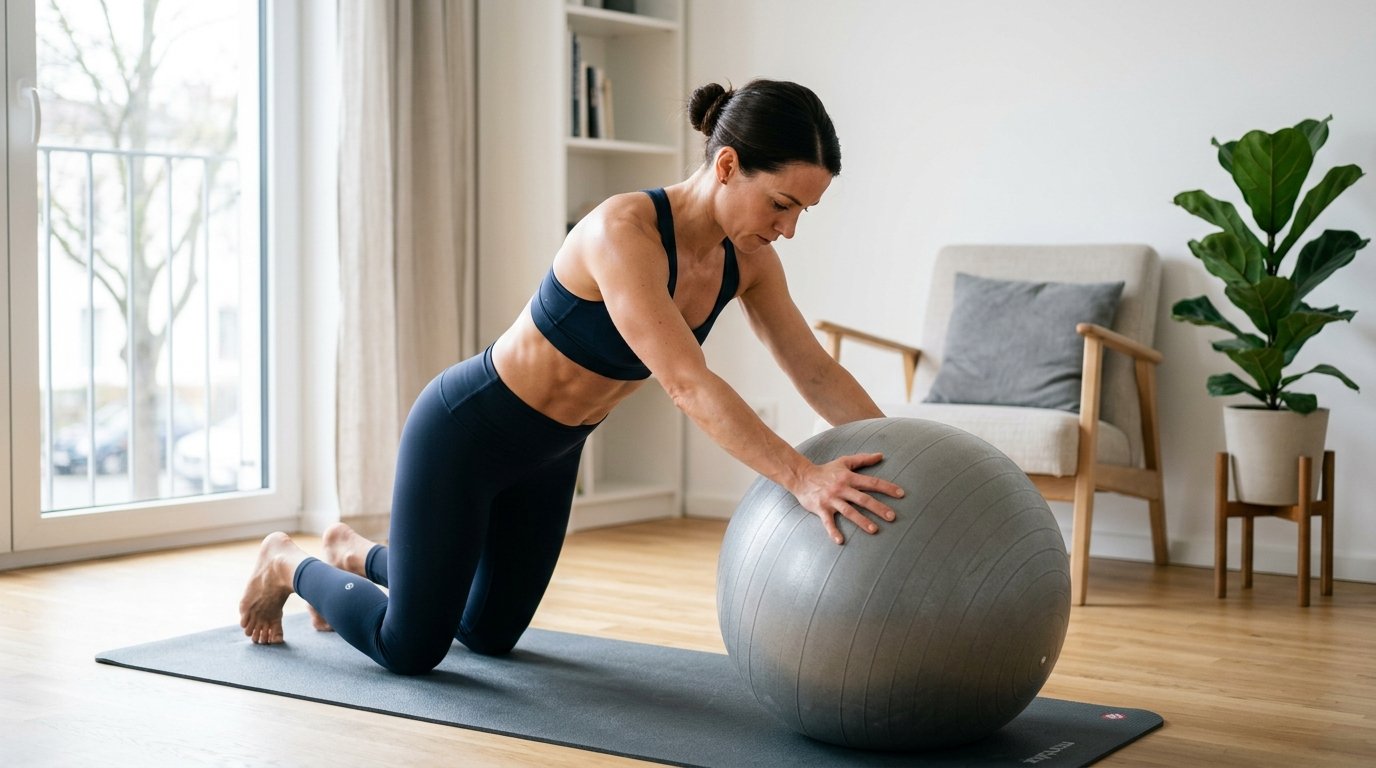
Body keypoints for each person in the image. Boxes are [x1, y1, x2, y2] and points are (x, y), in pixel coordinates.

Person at [239, 79, 904, 674]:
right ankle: (289, 563)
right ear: (727, 166)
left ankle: (355, 553)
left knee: (488, 635)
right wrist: (801, 477)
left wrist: (905, 453)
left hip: (553, 456)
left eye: (802, 213)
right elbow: (687, 383)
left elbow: (814, 369)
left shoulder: (750, 263)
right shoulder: (624, 231)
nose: (788, 229)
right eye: (781, 204)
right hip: (467, 434)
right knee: (410, 647)